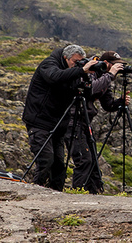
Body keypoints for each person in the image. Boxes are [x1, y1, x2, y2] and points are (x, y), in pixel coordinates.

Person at [22, 44, 90, 190]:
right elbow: (55, 77)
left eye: (80, 62)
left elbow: (86, 92)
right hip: (40, 121)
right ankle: (36, 191)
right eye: (75, 61)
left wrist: (88, 75)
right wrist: (80, 70)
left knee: (59, 165)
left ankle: (56, 195)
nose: (76, 65)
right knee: (46, 159)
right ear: (65, 57)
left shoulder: (72, 71)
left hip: (58, 125)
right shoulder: (49, 64)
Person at [66, 51, 128, 194]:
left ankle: (94, 193)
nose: (118, 69)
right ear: (106, 64)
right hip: (73, 121)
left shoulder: (103, 76)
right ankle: (77, 193)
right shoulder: (92, 70)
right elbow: (91, 88)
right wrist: (110, 75)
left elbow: (107, 104)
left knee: (93, 161)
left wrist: (120, 102)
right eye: (116, 65)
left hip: (84, 121)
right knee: (84, 160)